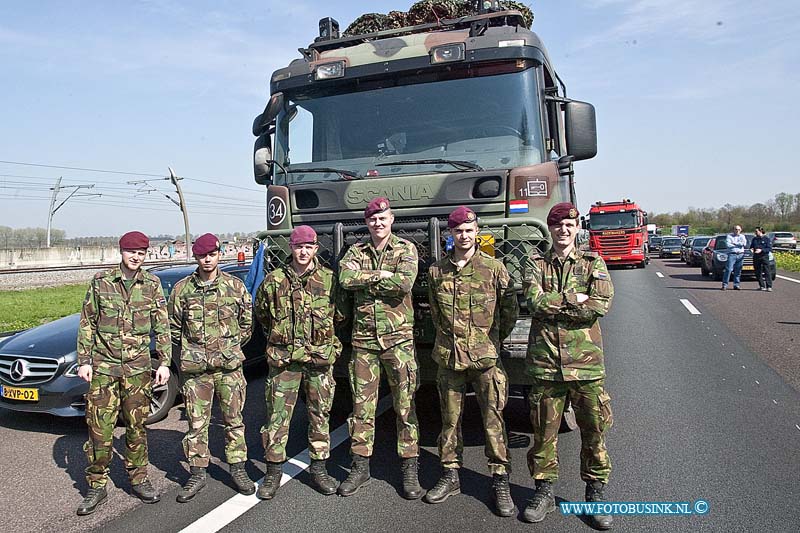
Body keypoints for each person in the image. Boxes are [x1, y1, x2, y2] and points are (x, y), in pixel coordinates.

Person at [522, 203, 615, 530]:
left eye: (570, 224)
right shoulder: (535, 263)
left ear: (577, 228)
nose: (564, 230)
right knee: (543, 434)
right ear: (550, 227)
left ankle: (596, 494)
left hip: (586, 365)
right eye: (558, 224)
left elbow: (600, 304)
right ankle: (543, 492)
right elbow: (533, 302)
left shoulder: (593, 262)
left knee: (594, 432)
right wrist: (574, 299)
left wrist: (556, 304)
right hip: (546, 363)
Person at [424, 206, 519, 516]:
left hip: (485, 358)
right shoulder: (437, 271)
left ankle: (500, 481)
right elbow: (436, 315)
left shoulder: (494, 268)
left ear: (477, 231)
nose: (463, 235)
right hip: (449, 358)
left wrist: (488, 341)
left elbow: (508, 313)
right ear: (450, 234)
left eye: (468, 229)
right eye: (457, 230)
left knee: (494, 422)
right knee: (449, 421)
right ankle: (450, 475)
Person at [75, 231, 171, 515]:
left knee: (136, 427)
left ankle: (139, 478)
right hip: (104, 368)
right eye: (131, 252)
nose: (136, 257)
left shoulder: (152, 284)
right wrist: (84, 360)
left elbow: (161, 327)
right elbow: (87, 322)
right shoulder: (101, 282)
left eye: (141, 252)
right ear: (121, 252)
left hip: (138, 369)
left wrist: (164, 362)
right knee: (99, 429)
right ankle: (96, 485)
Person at [337, 197, 423, 499]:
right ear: (367, 222)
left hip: (398, 341)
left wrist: (367, 281)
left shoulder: (405, 249)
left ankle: (409, 470)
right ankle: (360, 467)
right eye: (372, 219)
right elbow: (345, 279)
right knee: (362, 409)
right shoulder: (355, 251)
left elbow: (403, 283)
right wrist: (380, 276)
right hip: (364, 342)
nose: (378, 223)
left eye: (382, 218)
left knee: (405, 406)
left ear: (392, 218)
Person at [254, 226, 345, 500]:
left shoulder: (330, 281)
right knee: (277, 418)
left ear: (316, 248)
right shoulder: (274, 280)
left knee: (320, 415)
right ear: (291, 249)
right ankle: (272, 473)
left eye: (308, 246)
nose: (303, 251)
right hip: (285, 363)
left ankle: (319, 469)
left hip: (318, 360)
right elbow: (262, 314)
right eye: (298, 246)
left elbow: (340, 315)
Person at [168, 233, 255, 502]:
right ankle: (197, 473)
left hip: (229, 369)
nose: (207, 260)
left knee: (234, 421)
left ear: (220, 254)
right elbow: (173, 328)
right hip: (196, 373)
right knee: (196, 424)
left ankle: (238, 468)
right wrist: (196, 352)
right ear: (196, 257)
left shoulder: (235, 286)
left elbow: (247, 325)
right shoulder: (182, 290)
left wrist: (227, 349)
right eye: (202, 256)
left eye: (212, 255)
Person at [722, 225, 747, 290]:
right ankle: (725, 285)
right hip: (732, 255)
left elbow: (744, 244)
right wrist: (738, 244)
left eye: (738, 229)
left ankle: (736, 285)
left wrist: (734, 243)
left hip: (740, 255)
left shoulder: (742, 236)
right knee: (728, 270)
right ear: (733, 230)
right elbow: (728, 245)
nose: (737, 231)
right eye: (736, 229)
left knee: (738, 271)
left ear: (741, 230)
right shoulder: (729, 236)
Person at [751, 227, 773, 292]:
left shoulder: (766, 239)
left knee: (767, 271)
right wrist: (751, 249)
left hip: (764, 257)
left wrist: (761, 250)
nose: (755, 233)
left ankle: (769, 286)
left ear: (760, 231)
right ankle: (762, 286)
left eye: (756, 231)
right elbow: (752, 246)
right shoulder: (754, 239)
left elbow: (769, 249)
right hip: (756, 257)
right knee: (758, 272)